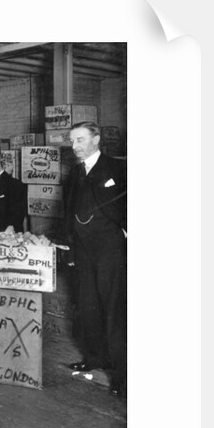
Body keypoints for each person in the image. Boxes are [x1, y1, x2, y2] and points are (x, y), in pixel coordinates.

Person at [63, 122, 127, 398]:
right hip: (84, 251)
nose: (75, 146)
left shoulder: (117, 168)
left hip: (111, 249)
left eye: (80, 139)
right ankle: (94, 357)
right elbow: (68, 213)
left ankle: (122, 375)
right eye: (72, 141)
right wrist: (71, 251)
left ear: (96, 139)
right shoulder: (75, 173)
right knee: (88, 306)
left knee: (114, 310)